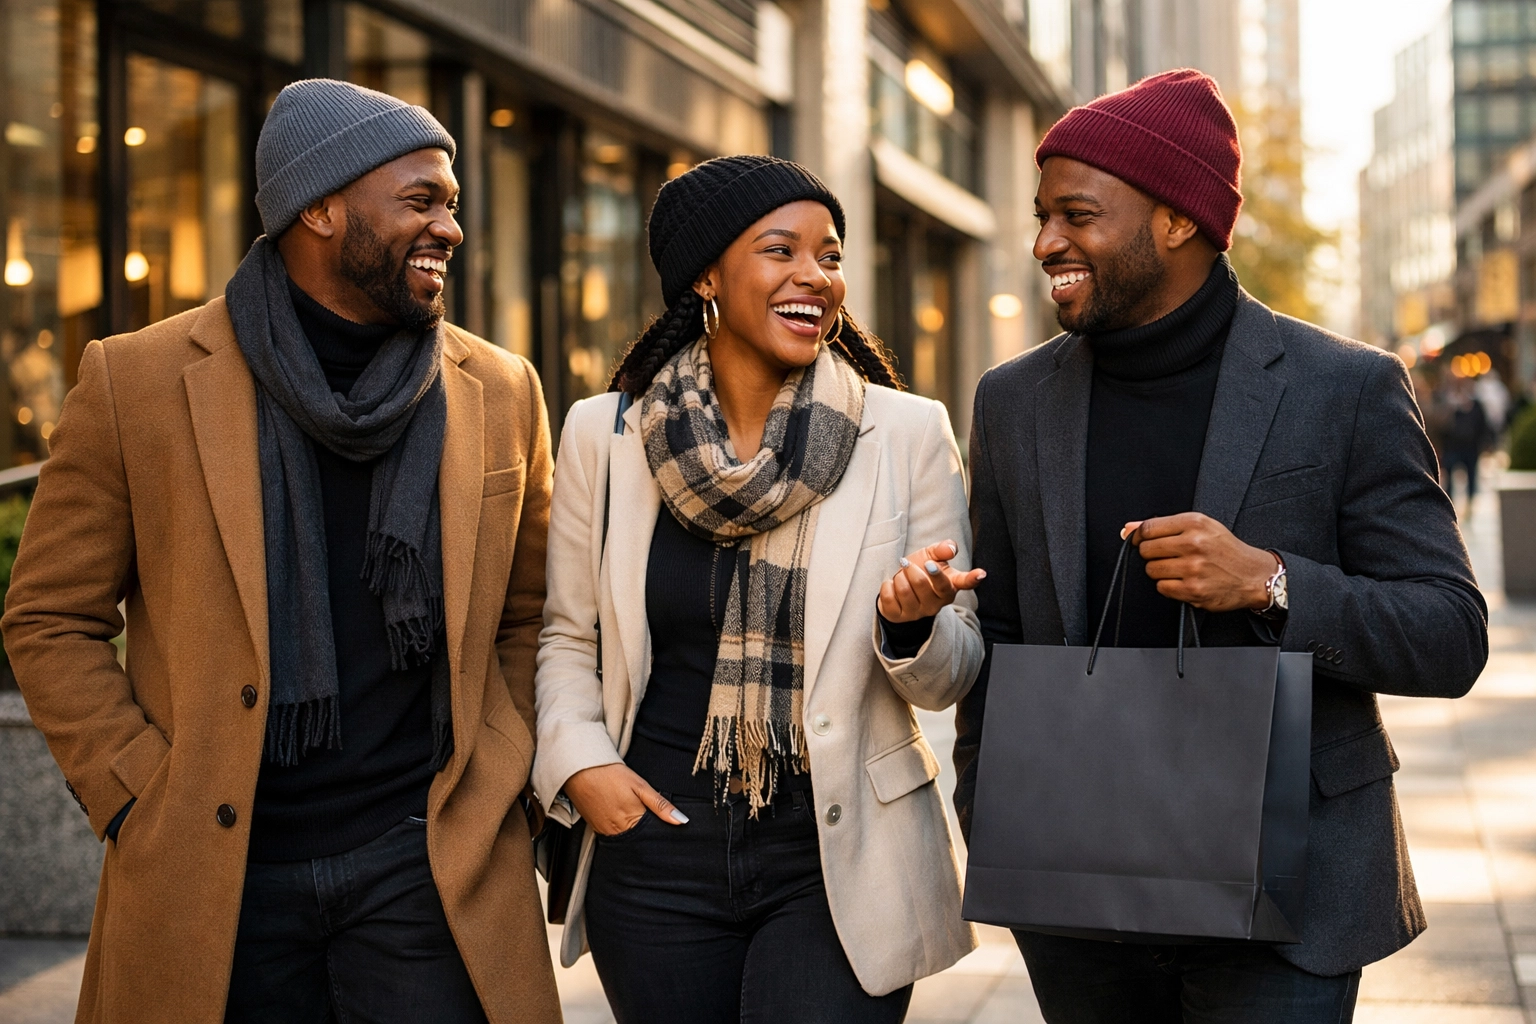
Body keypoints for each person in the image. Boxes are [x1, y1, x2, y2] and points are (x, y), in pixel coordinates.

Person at [0, 79, 561, 1024]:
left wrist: (505, 776)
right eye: (420, 200)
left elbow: (528, 613)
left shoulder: (500, 390)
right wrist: (139, 792)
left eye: (451, 204)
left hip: (427, 864)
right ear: (321, 205)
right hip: (215, 866)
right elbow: (51, 617)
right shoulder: (136, 382)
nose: (449, 229)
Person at [956, 70, 1489, 1023]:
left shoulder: (1346, 387)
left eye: (1076, 215)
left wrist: (1270, 584)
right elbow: (995, 631)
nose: (1045, 244)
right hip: (1077, 891)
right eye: (1041, 217)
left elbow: (1449, 633)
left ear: (1176, 219)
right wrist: (987, 812)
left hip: (1289, 896)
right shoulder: (1011, 401)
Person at [534, 155, 984, 1023]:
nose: (815, 275)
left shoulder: (905, 431)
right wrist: (581, 765)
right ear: (706, 273)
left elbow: (955, 670)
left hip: (837, 858)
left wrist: (912, 628)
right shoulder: (607, 434)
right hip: (654, 848)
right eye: (782, 251)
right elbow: (566, 636)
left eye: (830, 254)